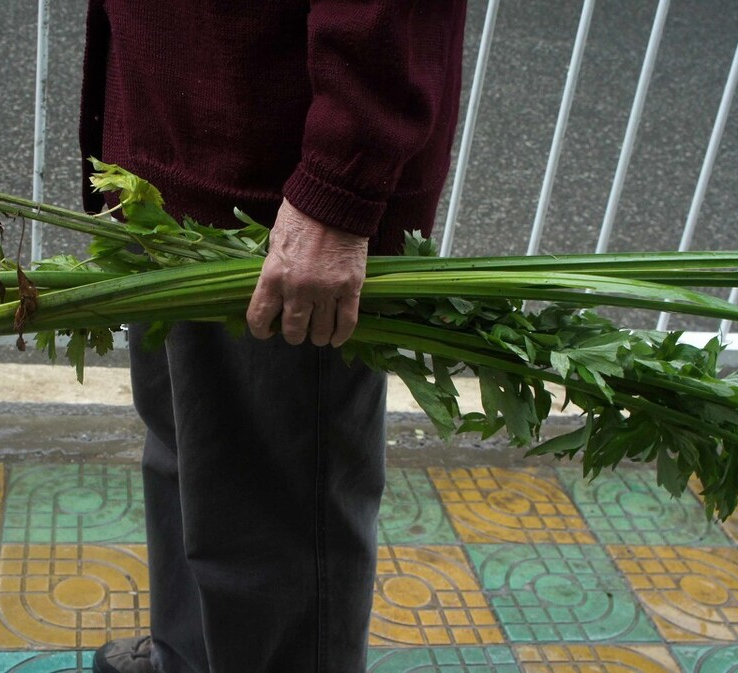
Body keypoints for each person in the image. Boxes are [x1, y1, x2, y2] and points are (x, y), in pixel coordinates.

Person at [79, 2, 468, 671]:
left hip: (272, 192)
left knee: (276, 520)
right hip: (177, 155)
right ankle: (188, 657)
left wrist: (338, 184)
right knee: (186, 453)